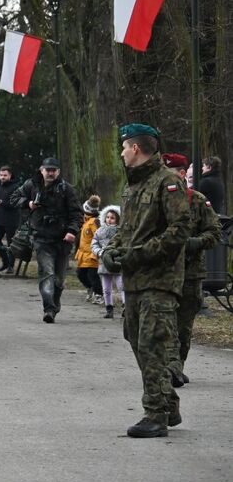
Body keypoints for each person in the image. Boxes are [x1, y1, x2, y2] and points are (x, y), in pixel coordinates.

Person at [99, 124, 190, 438]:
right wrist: (113, 251)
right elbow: (127, 232)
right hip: (135, 280)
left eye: (124, 147)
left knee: (152, 345)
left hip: (160, 280)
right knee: (136, 339)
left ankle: (155, 415)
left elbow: (178, 232)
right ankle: (169, 402)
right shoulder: (133, 187)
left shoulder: (169, 182)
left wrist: (139, 254)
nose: (122, 153)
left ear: (135, 148)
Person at [162, 153, 221, 387]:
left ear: (182, 174)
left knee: (183, 325)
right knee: (163, 324)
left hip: (190, 273)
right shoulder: (158, 201)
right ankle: (170, 367)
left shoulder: (198, 201)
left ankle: (177, 366)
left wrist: (192, 243)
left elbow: (215, 233)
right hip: (162, 273)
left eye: (176, 172)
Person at [10, 157, 83, 323]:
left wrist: (72, 231)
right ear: (41, 170)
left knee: (59, 279)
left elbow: (77, 214)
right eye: (47, 169)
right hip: (41, 237)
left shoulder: (67, 189)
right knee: (46, 273)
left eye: (53, 170)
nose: (50, 173)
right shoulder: (31, 185)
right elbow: (14, 198)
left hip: (63, 239)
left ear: (58, 172)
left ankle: (54, 304)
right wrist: (28, 204)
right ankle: (48, 309)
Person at [91, 206, 123, 318]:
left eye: (113, 218)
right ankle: (109, 308)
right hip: (104, 262)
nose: (109, 219)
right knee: (106, 288)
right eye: (108, 217)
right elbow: (94, 243)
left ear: (118, 219)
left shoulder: (121, 232)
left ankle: (125, 306)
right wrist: (99, 252)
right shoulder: (100, 231)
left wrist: (120, 252)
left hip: (118, 261)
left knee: (121, 286)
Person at [0, 165, 21, 272]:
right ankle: (5, 262)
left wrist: (3, 204)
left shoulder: (16, 186)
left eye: (5, 175)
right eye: (1, 175)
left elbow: (16, 203)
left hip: (11, 220)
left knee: (11, 243)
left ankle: (11, 265)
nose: (2, 177)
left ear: (10, 175)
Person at [75, 196, 102, 305]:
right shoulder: (85, 221)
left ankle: (99, 294)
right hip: (83, 254)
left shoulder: (94, 222)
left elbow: (98, 235)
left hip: (92, 254)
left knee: (93, 275)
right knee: (80, 273)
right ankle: (90, 288)